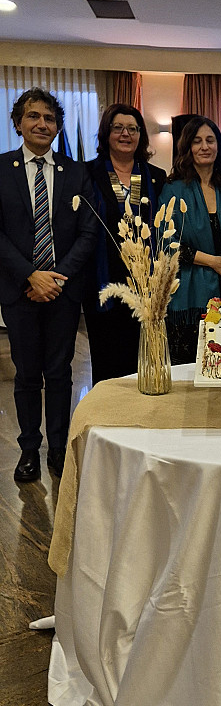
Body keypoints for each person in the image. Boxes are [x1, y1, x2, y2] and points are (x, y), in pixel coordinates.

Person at [0, 87, 97, 481]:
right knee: (26, 375)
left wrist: (56, 277)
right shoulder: (1, 168)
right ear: (18, 123)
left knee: (59, 373)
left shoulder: (76, 172)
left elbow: (88, 232)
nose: (42, 124)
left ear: (57, 127)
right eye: (33, 116)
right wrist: (30, 274)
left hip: (62, 290)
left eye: (50, 118)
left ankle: (58, 448)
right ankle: (29, 449)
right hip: (19, 289)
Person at [84, 103, 166, 384]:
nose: (125, 134)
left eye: (132, 129)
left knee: (142, 361)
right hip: (103, 281)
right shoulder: (88, 173)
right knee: (107, 364)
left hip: (146, 284)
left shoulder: (155, 176)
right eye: (118, 128)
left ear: (141, 135)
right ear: (106, 133)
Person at [159, 116, 221, 364]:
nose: (204, 147)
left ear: (218, 145)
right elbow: (166, 243)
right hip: (188, 295)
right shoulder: (174, 189)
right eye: (197, 141)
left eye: (210, 140)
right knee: (188, 367)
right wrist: (213, 261)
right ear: (187, 147)